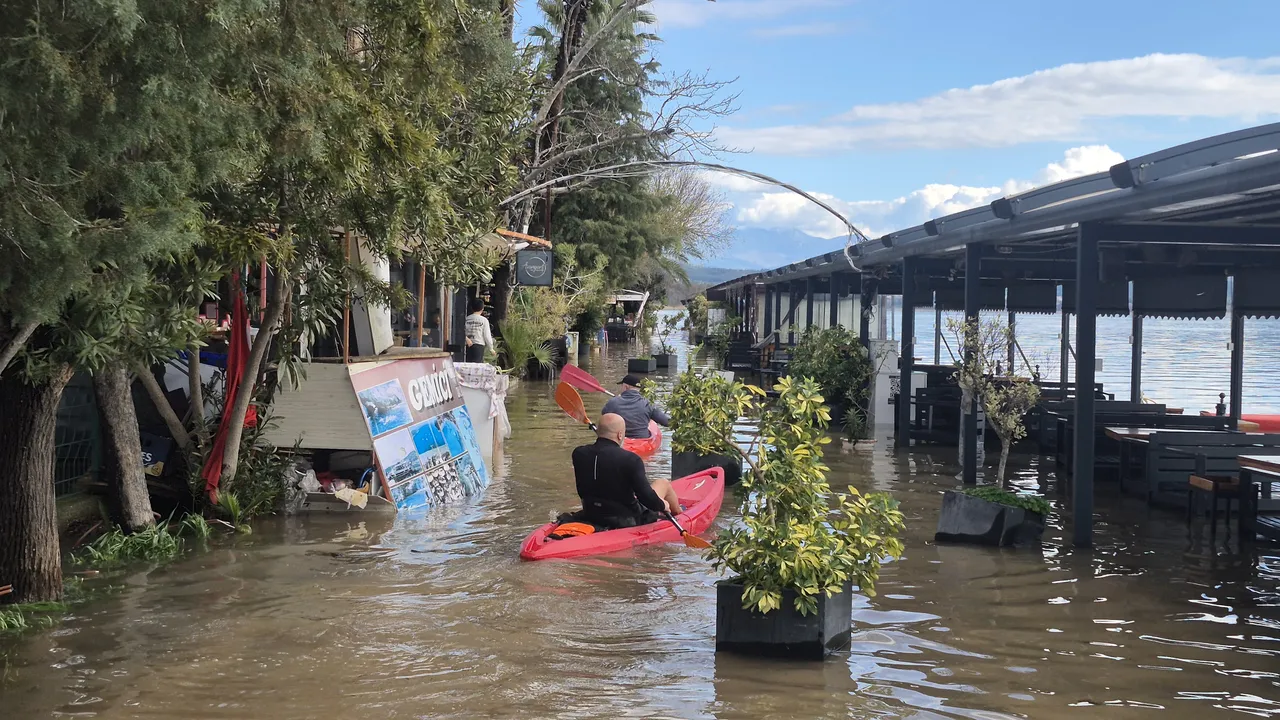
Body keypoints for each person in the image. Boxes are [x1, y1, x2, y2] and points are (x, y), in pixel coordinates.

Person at [573, 414, 680, 528]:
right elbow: (647, 498)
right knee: (663, 483)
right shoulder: (631, 459)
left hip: (590, 514)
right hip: (626, 520)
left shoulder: (578, 453)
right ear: (620, 435)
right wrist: (662, 505)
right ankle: (680, 515)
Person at [602, 374, 670, 439]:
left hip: (621, 440)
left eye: (621, 386)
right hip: (642, 440)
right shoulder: (648, 404)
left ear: (625, 387)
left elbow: (604, 416)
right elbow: (666, 422)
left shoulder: (613, 402)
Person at [463, 298, 493, 363]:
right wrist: (491, 348)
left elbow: (462, 331)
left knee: (468, 364)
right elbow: (487, 335)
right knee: (477, 366)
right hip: (479, 346)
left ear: (472, 308)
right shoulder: (484, 320)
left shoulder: (466, 319)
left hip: (467, 345)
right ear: (482, 309)